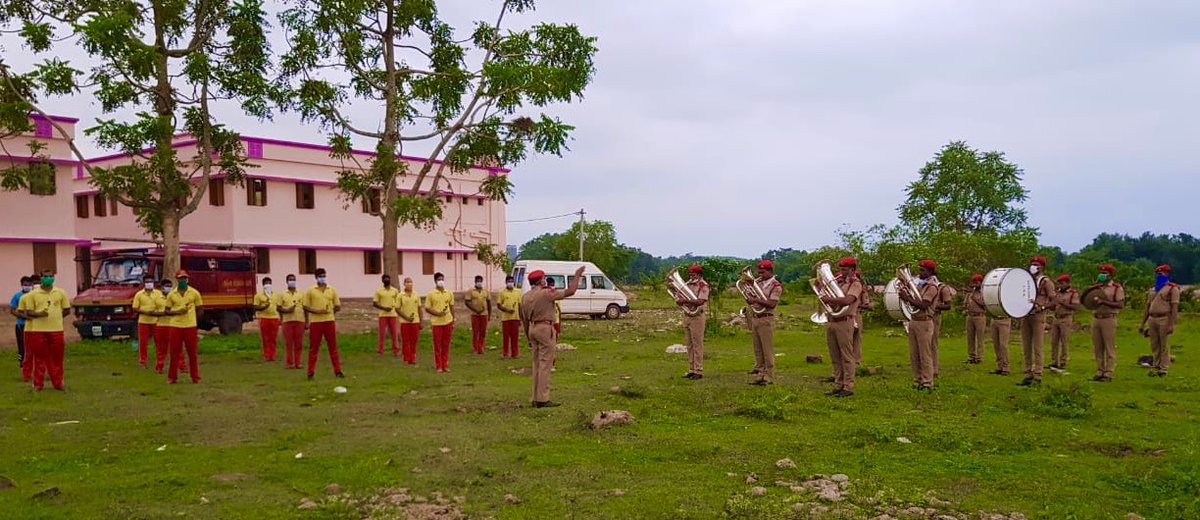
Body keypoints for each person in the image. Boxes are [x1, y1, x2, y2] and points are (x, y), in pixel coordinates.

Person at [520, 266, 585, 408]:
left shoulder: (525, 297)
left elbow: (523, 319)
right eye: (543, 278)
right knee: (545, 364)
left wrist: (528, 337)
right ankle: (543, 398)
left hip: (532, 328)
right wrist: (577, 275)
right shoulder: (546, 293)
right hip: (545, 328)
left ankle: (535, 397)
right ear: (541, 281)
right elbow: (570, 291)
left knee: (536, 364)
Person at [17, 270, 71, 390]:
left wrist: (56, 317)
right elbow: (28, 312)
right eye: (46, 276)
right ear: (41, 278)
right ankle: (38, 384)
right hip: (38, 330)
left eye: (51, 276)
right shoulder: (33, 294)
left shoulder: (60, 292)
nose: (48, 278)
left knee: (57, 357)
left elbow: (67, 310)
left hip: (56, 330)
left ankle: (58, 383)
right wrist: (39, 314)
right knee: (39, 357)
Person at [820, 257, 864, 397]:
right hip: (833, 320)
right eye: (840, 269)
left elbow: (847, 300)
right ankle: (838, 383)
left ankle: (848, 386)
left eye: (844, 269)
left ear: (852, 270)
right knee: (835, 355)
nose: (841, 272)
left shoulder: (856, 284)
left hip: (845, 321)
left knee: (846, 356)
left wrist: (829, 299)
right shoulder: (838, 282)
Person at [898, 260, 940, 391]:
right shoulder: (920, 286)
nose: (919, 273)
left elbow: (923, 305)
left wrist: (907, 298)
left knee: (925, 353)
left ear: (930, 272)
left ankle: (927, 382)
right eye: (920, 270)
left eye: (923, 270)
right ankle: (917, 380)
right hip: (914, 320)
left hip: (925, 321)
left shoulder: (932, 287)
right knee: (914, 353)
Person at [1018, 256, 1056, 386]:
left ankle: (1038, 374)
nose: (1034, 266)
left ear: (1042, 267)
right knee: (1026, 345)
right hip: (1026, 315)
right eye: (1032, 264)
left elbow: (1054, 300)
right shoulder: (1027, 280)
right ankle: (1028, 373)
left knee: (1038, 346)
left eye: (1037, 264)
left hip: (1038, 315)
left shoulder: (1045, 282)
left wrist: (1043, 307)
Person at [745, 259, 783, 386]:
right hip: (756, 317)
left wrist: (755, 299)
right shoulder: (758, 283)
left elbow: (772, 303)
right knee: (758, 349)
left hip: (766, 318)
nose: (760, 275)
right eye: (759, 272)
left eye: (762, 272)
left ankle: (769, 376)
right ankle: (760, 374)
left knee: (767, 349)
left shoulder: (775, 285)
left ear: (770, 271)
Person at [302, 268, 344, 380]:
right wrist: (317, 311)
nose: (323, 278)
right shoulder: (311, 290)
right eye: (320, 276)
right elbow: (305, 306)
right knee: (314, 348)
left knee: (333, 347)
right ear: (316, 277)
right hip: (316, 322)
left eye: (324, 276)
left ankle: (338, 371)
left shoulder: (331, 290)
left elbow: (338, 305)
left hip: (329, 321)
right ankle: (310, 372)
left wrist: (331, 311)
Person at [1140, 264, 1180, 377]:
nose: (1159, 276)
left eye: (1161, 273)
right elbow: (1147, 307)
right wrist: (1142, 323)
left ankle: (1164, 367)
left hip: (1164, 317)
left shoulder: (1172, 288)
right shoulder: (1153, 289)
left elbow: (1174, 307)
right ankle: (1156, 365)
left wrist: (1172, 324)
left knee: (1164, 344)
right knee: (1154, 344)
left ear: (1167, 274)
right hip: (1152, 318)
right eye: (1157, 274)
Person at [164, 270, 203, 384]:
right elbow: (167, 311)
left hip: (190, 325)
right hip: (175, 325)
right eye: (181, 279)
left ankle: (195, 377)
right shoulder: (172, 294)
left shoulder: (194, 293)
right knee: (174, 353)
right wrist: (177, 312)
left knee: (192, 353)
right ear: (177, 280)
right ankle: (172, 377)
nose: (183, 281)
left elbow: (200, 310)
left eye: (185, 278)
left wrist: (192, 316)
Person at [1089, 264, 1124, 382]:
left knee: (1109, 346)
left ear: (1111, 274)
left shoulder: (1116, 288)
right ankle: (1100, 370)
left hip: (1109, 318)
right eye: (1101, 272)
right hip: (1096, 317)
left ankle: (1109, 372)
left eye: (1105, 273)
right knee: (1097, 346)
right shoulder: (1097, 287)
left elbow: (1120, 304)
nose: (1102, 275)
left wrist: (1104, 302)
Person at [675, 264, 711, 380]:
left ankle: (698, 370)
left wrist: (685, 300)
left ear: (699, 275)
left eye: (693, 275)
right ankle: (691, 369)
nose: (691, 277)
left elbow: (700, 301)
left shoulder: (703, 285)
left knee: (697, 344)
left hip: (697, 317)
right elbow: (679, 296)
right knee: (689, 345)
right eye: (690, 274)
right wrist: (679, 300)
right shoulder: (687, 284)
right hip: (687, 316)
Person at [424, 272, 455, 373]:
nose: (441, 281)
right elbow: (427, 308)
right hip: (436, 323)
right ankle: (439, 366)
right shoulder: (431, 294)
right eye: (439, 279)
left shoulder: (449, 293)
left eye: (442, 279)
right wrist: (437, 313)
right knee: (437, 345)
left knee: (446, 344)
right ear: (435, 281)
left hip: (448, 321)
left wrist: (453, 320)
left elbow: (452, 307)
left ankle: (445, 365)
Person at [1049, 274, 1080, 370]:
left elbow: (1075, 307)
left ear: (1067, 283)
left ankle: (1063, 361)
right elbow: (1054, 305)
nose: (1060, 285)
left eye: (1062, 283)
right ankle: (1054, 361)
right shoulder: (1058, 292)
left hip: (1066, 317)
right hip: (1056, 317)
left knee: (1064, 340)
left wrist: (1063, 303)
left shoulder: (1073, 293)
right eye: (1059, 283)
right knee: (1054, 341)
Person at [929, 272, 956, 377]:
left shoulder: (942, 288)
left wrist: (934, 306)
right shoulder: (924, 287)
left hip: (934, 317)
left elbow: (948, 306)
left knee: (932, 343)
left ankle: (934, 369)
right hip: (923, 318)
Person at [131, 275, 161, 368]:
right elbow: (135, 308)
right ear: (144, 283)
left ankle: (160, 361)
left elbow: (162, 306)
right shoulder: (139, 294)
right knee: (143, 342)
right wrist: (145, 312)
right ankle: (142, 361)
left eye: (151, 282)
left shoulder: (158, 293)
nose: (149, 284)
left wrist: (155, 313)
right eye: (147, 282)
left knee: (159, 342)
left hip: (156, 321)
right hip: (143, 321)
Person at [277, 274, 305, 369]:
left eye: (293, 279)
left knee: (299, 343)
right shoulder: (282, 294)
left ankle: (298, 362)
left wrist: (307, 321)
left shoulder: (301, 294)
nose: (292, 281)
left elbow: (305, 308)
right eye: (290, 280)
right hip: (287, 321)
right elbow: (279, 308)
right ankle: (289, 363)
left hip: (300, 320)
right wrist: (287, 310)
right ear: (287, 281)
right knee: (289, 343)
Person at [253, 277, 281, 362]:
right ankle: (267, 355)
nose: (268, 285)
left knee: (273, 338)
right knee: (265, 338)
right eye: (266, 283)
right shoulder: (258, 295)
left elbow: (279, 307)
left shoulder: (276, 295)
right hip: (264, 318)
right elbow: (255, 307)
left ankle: (273, 355)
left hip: (275, 318)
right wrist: (263, 307)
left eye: (269, 283)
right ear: (263, 284)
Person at [372, 274, 402, 356]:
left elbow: (398, 301)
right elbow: (374, 303)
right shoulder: (379, 291)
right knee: (382, 333)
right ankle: (380, 351)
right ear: (382, 281)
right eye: (385, 279)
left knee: (394, 333)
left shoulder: (395, 291)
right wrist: (384, 308)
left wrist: (395, 306)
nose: (386, 280)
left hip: (393, 315)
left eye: (388, 279)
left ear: (390, 280)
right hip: (383, 315)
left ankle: (396, 350)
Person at [10, 276, 32, 381]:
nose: (27, 286)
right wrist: (23, 316)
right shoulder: (17, 296)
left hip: (34, 325)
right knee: (22, 348)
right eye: (25, 284)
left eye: (29, 284)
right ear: (22, 285)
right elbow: (12, 310)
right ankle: (22, 368)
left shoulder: (34, 295)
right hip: (21, 325)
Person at [397, 277, 423, 364]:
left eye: (410, 282)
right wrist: (406, 317)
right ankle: (406, 358)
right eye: (407, 282)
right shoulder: (400, 295)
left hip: (415, 321)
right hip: (405, 322)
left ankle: (413, 358)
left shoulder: (416, 295)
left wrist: (421, 321)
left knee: (414, 341)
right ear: (404, 284)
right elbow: (397, 309)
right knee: (405, 341)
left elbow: (419, 308)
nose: (409, 284)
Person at [963, 274, 987, 364]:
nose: (974, 284)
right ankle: (971, 356)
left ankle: (979, 357)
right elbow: (966, 303)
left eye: (976, 282)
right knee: (970, 337)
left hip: (979, 316)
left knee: (980, 337)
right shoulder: (970, 293)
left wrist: (975, 299)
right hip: (970, 316)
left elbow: (984, 305)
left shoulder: (984, 292)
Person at [496, 275, 522, 359]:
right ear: (506, 282)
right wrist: (507, 310)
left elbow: (519, 305)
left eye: (512, 281)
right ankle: (505, 353)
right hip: (506, 318)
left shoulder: (518, 292)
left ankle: (515, 353)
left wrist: (520, 318)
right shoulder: (502, 292)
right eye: (509, 281)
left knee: (515, 337)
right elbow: (499, 305)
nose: (510, 283)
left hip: (515, 318)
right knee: (506, 337)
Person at [465, 275, 492, 355]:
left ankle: (481, 348)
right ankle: (475, 349)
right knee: (475, 332)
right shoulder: (471, 291)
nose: (479, 283)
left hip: (484, 314)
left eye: (480, 281)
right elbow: (467, 302)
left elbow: (489, 303)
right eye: (478, 281)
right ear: (475, 282)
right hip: (475, 314)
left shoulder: (486, 291)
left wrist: (489, 314)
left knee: (483, 332)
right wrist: (475, 310)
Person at [153, 280, 173, 373]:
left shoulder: (175, 297)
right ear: (162, 287)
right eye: (166, 286)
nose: (168, 288)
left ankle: (182, 366)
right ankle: (159, 366)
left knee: (176, 347)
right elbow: (151, 312)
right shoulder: (157, 298)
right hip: (160, 325)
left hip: (173, 325)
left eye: (170, 286)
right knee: (161, 348)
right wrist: (162, 313)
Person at [851, 270, 871, 368]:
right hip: (845, 315)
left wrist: (858, 304)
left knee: (857, 338)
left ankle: (856, 361)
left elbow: (867, 305)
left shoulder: (862, 289)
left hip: (856, 314)